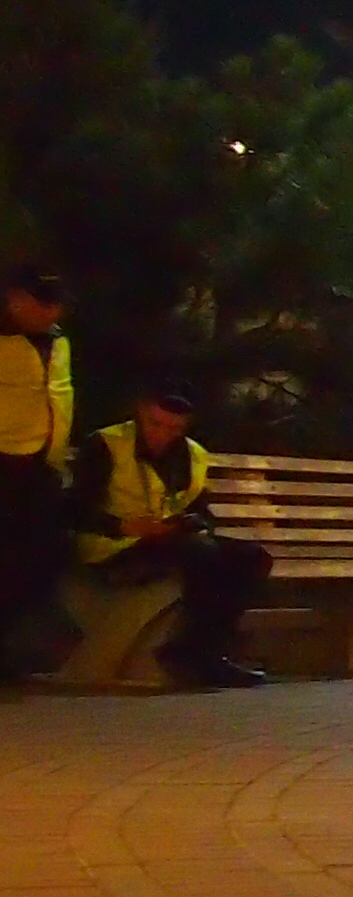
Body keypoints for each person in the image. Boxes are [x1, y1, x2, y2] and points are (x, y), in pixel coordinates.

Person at [70, 382, 270, 687]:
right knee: (202, 555)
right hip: (112, 545)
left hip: (170, 539)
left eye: (174, 428)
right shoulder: (106, 445)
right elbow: (76, 510)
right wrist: (123, 526)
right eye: (155, 424)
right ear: (141, 413)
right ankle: (195, 655)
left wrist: (196, 524)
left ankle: (205, 652)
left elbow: (202, 509)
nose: (162, 434)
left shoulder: (193, 455)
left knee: (252, 558)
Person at [0, 266, 71, 665]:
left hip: (43, 463)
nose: (52, 312)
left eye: (56, 304)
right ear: (15, 300)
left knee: (42, 557)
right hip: (4, 461)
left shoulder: (58, 342)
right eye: (43, 303)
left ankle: (12, 646)